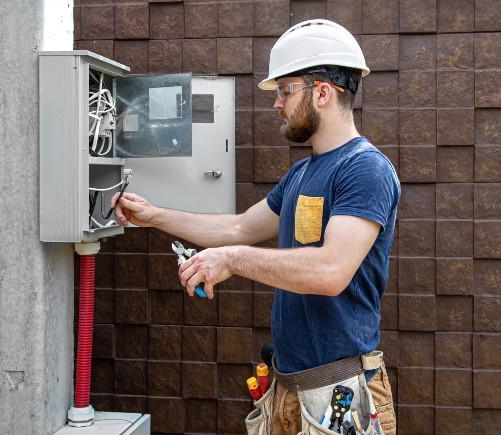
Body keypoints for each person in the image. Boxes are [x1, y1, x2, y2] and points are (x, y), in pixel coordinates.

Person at [112, 19, 400, 434]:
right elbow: (238, 228)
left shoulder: (364, 170)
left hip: (339, 393)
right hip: (287, 387)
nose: (277, 103)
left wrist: (232, 260)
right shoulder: (302, 174)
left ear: (322, 92)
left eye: (285, 90)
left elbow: (330, 272)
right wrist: (155, 216)